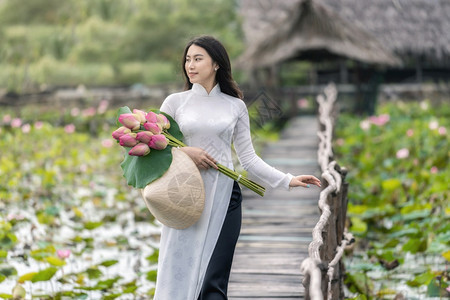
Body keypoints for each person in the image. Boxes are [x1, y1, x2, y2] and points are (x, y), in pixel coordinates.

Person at [157, 35, 321, 300]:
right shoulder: (175, 102)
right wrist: (185, 151)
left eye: (198, 59)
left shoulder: (235, 106)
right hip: (185, 196)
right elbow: (157, 146)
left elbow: (249, 159)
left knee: (214, 279)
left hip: (225, 197)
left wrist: (287, 180)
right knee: (180, 270)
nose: (191, 65)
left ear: (216, 64)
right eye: (188, 59)